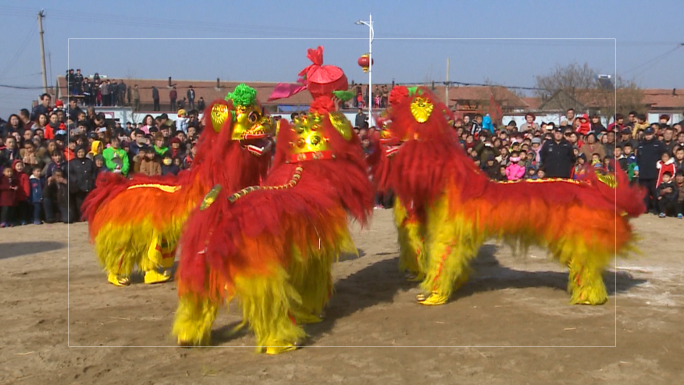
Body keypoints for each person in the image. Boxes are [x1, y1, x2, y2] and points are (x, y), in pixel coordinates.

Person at [637, 127, 667, 213]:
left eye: (650, 134)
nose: (648, 136)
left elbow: (664, 155)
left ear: (653, 134)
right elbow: (638, 157)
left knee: (655, 191)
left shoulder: (658, 144)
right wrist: (637, 167)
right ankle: (645, 208)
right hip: (643, 172)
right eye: (647, 134)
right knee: (644, 192)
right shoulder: (641, 144)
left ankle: (657, 208)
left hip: (654, 172)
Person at [67, 146, 96, 222]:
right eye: (79, 152)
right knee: (79, 203)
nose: (81, 154)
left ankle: (89, 216)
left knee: (89, 202)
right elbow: (70, 174)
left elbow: (94, 172)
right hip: (78, 188)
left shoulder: (89, 162)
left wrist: (92, 180)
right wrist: (76, 181)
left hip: (89, 185)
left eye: (82, 152)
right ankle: (81, 216)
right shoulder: (72, 163)